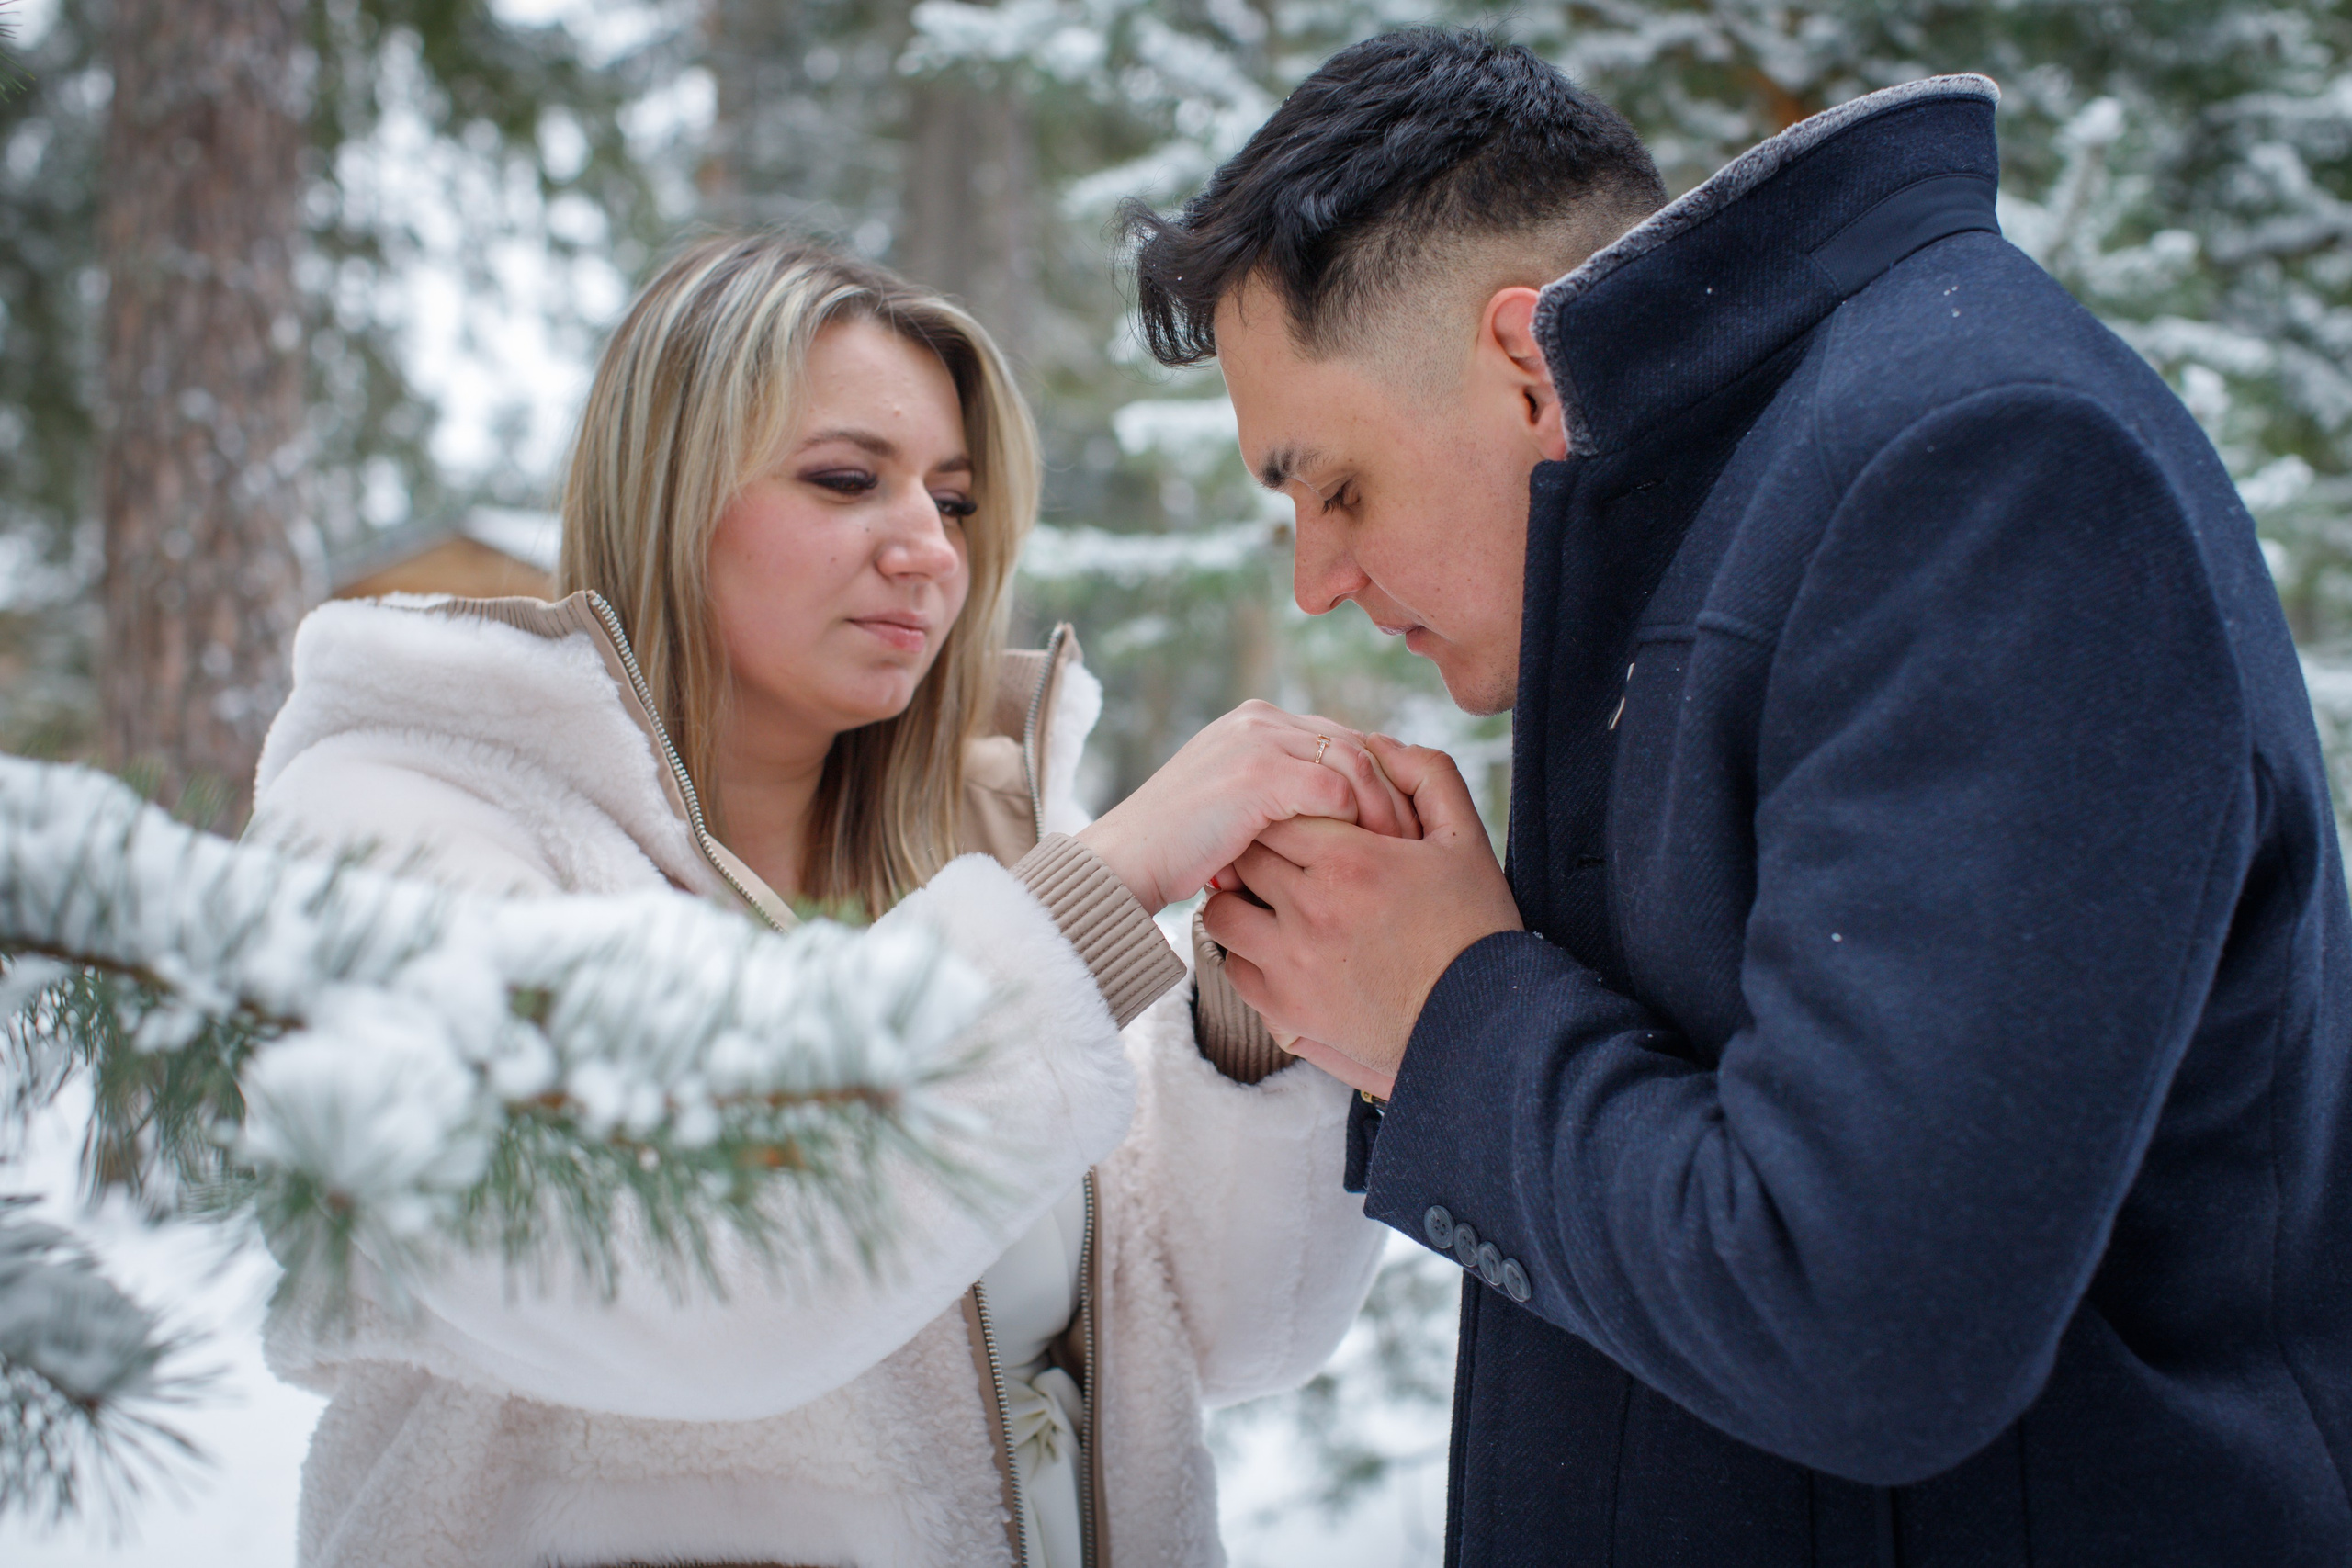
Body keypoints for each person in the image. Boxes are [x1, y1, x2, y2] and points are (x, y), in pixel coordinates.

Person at [1133, 28, 2352, 1566]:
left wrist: (1448, 1009)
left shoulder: (1980, 470)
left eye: (1337, 487)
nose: (1317, 581)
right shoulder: (1739, 514)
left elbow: (1869, 1315)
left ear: (1523, 364)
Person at [247, 235, 1396, 1568]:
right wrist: (1108, 888)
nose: (928, 553)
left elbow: (1233, 1333)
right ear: (670, 490)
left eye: (956, 503)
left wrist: (1252, 994)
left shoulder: (991, 846)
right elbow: (686, 1271)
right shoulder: (398, 824)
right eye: (847, 480)